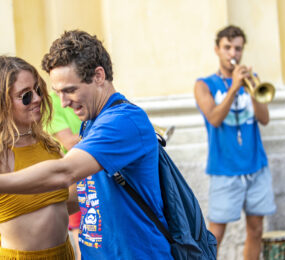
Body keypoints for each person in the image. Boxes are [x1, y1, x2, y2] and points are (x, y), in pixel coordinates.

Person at [0, 30, 173, 260]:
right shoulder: (91, 124)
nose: (62, 102)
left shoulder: (121, 122)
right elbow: (79, 196)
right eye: (57, 93)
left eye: (70, 90)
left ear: (99, 76)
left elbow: (65, 173)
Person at [194, 25, 276, 259]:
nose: (233, 53)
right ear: (217, 50)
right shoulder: (204, 85)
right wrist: (233, 89)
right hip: (224, 170)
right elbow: (215, 118)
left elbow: (265, 118)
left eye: (238, 48)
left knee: (256, 229)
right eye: (227, 47)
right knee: (215, 235)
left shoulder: (252, 81)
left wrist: (250, 89)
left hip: (256, 167)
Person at [0, 56, 76, 259]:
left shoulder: (48, 144)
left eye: (38, 90)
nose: (37, 98)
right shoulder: (1, 154)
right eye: (25, 96)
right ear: (3, 103)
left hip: (64, 254)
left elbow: (70, 201)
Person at [46, 92, 82, 260]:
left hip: (91, 175)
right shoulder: (51, 103)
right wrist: (105, 134)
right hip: (75, 176)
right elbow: (68, 142)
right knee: (82, 236)